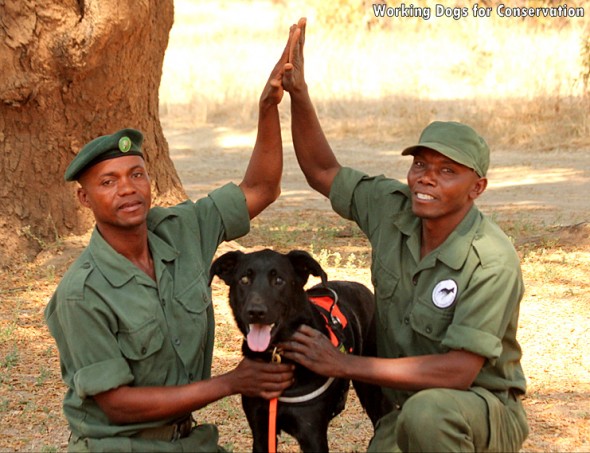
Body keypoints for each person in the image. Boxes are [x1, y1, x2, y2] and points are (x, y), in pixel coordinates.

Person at [44, 27, 300, 453]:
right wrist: (231, 383)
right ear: (84, 198)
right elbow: (118, 405)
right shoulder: (81, 294)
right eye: (108, 181)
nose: (127, 189)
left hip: (189, 440)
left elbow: (261, 188)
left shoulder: (182, 230)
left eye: (136, 174)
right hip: (118, 446)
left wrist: (267, 108)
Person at [278, 18, 529, 452]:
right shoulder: (392, 208)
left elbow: (457, 373)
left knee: (429, 414)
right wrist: (299, 95)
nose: (426, 180)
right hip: (407, 412)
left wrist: (343, 364)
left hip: (479, 409)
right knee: (415, 417)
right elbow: (322, 171)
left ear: (477, 188)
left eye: (447, 171)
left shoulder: (490, 259)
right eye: (420, 165)